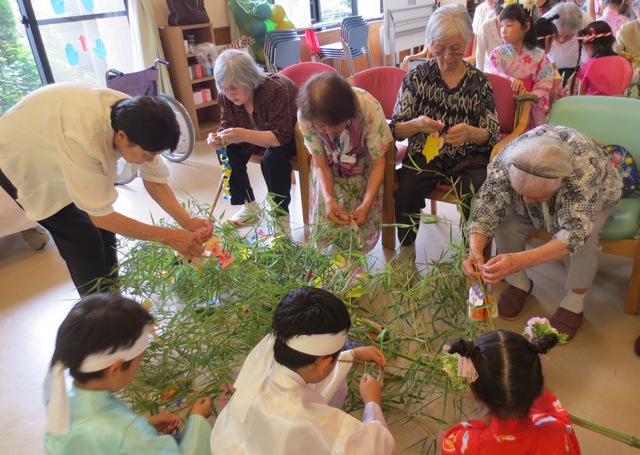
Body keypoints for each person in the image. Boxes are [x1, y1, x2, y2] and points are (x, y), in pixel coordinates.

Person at [0, 84, 212, 296]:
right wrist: (168, 236)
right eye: (147, 154)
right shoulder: (85, 138)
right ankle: (99, 311)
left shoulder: (139, 119)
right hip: (21, 153)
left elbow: (155, 180)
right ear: (122, 136)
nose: (149, 160)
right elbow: (100, 216)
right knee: (82, 237)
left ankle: (112, 297)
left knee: (105, 232)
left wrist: (187, 222)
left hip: (53, 132)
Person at [463, 125, 622, 340]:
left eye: (536, 198)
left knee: (586, 238)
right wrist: (475, 251)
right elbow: (486, 208)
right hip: (537, 186)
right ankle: (519, 283)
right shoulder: (506, 161)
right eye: (523, 194)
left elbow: (575, 231)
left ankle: (575, 301)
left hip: (595, 195)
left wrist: (521, 260)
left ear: (561, 182)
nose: (528, 202)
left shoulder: (583, 168)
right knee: (507, 223)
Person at [210, 286, 395, 454]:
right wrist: (372, 402)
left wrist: (351, 355)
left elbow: (310, 376)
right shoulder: (316, 423)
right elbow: (378, 446)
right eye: (337, 355)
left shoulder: (263, 368)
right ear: (323, 364)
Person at [44, 293, 213, 454]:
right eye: (138, 362)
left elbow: (95, 443)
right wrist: (197, 420)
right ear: (115, 369)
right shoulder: (129, 436)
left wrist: (144, 426)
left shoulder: (61, 402)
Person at [391, 4, 500, 253]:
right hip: (425, 155)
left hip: (469, 157)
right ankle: (406, 249)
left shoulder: (479, 82)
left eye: (456, 50)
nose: (448, 58)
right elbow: (395, 128)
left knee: (477, 193)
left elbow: (491, 133)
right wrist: (416, 124)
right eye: (439, 50)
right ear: (430, 44)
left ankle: (472, 255)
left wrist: (471, 133)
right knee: (406, 190)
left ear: (467, 42)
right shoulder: (417, 77)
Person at [441, 328, 581, 454]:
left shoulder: (465, 444)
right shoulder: (557, 432)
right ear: (541, 386)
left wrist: (483, 422)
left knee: (440, 436)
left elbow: (447, 444)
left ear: (475, 393)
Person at [297, 72, 393, 253]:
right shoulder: (307, 115)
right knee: (326, 223)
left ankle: (354, 254)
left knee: (356, 232)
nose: (326, 130)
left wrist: (365, 205)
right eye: (321, 125)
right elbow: (321, 165)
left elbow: (379, 163)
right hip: (328, 163)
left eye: (332, 126)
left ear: (347, 115)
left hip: (364, 163)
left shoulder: (368, 107)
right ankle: (331, 259)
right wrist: (328, 199)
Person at [207, 50, 299, 226]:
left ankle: (281, 219)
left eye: (234, 87)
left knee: (272, 160)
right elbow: (227, 124)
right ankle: (248, 206)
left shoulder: (273, 89)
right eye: (224, 87)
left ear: (249, 80)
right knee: (225, 150)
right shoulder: (225, 96)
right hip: (257, 133)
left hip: (291, 135)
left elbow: (281, 136)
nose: (229, 93)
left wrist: (242, 134)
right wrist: (218, 137)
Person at [485, 3, 554, 127]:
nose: (503, 31)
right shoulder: (497, 54)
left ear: (526, 27)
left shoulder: (539, 56)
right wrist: (512, 82)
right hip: (504, 105)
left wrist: (531, 95)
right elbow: (494, 74)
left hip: (528, 107)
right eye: (501, 26)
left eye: (509, 25)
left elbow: (545, 81)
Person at [574, 21, 633, 95]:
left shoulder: (589, 65)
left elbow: (581, 97)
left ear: (589, 46)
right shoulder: (624, 62)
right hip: (619, 105)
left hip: (592, 105)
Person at [545, 2, 592, 86]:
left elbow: (589, 57)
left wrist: (578, 77)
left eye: (568, 36)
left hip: (577, 64)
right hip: (550, 65)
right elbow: (540, 56)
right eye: (558, 35)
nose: (562, 39)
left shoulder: (586, 24)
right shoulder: (544, 24)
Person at [534, 14, 564, 106]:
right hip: (541, 109)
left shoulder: (524, 57)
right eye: (552, 42)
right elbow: (554, 92)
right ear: (547, 40)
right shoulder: (546, 63)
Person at [476, 0, 507, 70]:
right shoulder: (485, 27)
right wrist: (480, 76)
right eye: (502, 17)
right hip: (491, 71)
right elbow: (480, 55)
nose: (505, 21)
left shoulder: (515, 28)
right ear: (496, 13)